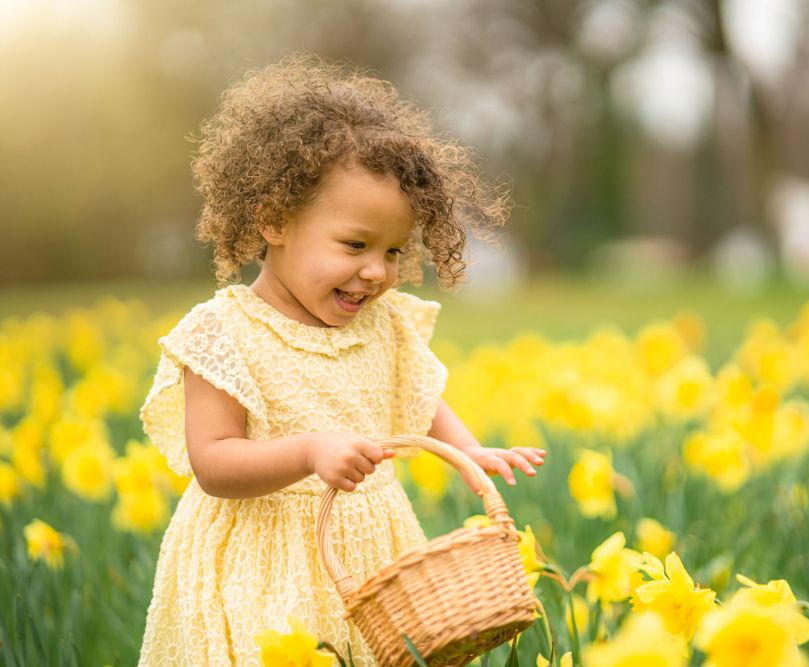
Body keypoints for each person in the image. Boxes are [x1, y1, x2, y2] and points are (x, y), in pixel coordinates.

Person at [137, 52, 547, 666]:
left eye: (394, 250)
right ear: (275, 220)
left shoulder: (383, 323)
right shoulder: (223, 333)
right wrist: (308, 452)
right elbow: (213, 461)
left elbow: (418, 395)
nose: (377, 272)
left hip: (371, 553)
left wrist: (469, 450)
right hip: (262, 566)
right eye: (355, 244)